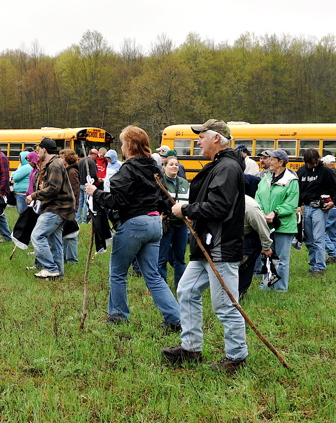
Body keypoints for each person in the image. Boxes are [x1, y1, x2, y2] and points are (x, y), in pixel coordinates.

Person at [163, 119, 247, 373]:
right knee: (187, 291)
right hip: (206, 245)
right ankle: (190, 348)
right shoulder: (220, 166)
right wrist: (194, 215)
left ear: (217, 139)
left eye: (201, 137)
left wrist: (186, 209)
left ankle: (236, 357)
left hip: (220, 246)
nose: (197, 141)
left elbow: (219, 207)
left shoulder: (228, 168)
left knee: (224, 303)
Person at [85, 126, 181, 329]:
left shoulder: (128, 169)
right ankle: (175, 318)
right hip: (155, 224)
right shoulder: (155, 168)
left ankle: (118, 316)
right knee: (153, 275)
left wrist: (95, 193)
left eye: (122, 143)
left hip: (134, 224)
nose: (121, 147)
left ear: (130, 145)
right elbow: (164, 198)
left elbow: (118, 200)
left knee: (118, 273)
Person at [28, 138, 76, 279]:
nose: (37, 153)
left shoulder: (54, 165)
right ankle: (57, 275)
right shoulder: (53, 164)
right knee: (55, 243)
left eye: (38, 150)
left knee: (37, 236)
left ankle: (50, 267)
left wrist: (34, 195)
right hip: (61, 208)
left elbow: (54, 189)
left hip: (57, 208)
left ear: (44, 149)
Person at [255, 149, 298, 292]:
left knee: (281, 259)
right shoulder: (265, 178)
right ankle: (267, 286)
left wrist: (275, 212)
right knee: (267, 257)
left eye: (272, 159)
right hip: (266, 224)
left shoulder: (291, 180)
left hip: (283, 225)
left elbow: (291, 203)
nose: (268, 161)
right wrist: (260, 211)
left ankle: (280, 289)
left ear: (281, 162)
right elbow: (258, 196)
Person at [296, 148, 336, 276]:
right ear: (305, 161)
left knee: (319, 239)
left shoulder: (326, 171)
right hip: (307, 207)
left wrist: (334, 202)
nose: (315, 165)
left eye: (316, 162)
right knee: (309, 239)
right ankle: (313, 264)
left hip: (320, 209)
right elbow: (297, 189)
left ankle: (320, 267)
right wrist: (297, 205)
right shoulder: (301, 171)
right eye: (312, 163)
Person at [159, 156, 190, 290]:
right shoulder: (160, 182)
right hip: (167, 224)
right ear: (164, 167)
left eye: (176, 165)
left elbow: (189, 201)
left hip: (182, 225)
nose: (174, 167)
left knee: (180, 257)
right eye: (171, 164)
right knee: (162, 257)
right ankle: (161, 287)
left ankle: (180, 287)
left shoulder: (183, 182)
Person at [239, 191, 272, 298]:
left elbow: (262, 228)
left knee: (245, 266)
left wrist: (266, 247)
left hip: (248, 237)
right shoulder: (218, 200)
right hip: (227, 237)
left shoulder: (249, 205)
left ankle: (240, 293)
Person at [61, 149, 81, 263]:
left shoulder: (72, 172)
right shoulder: (66, 171)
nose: (60, 159)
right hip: (66, 206)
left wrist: (71, 206)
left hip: (71, 207)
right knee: (65, 232)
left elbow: (74, 191)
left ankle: (72, 259)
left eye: (62, 157)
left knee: (71, 233)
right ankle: (65, 256)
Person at [76, 149, 98, 223]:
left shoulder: (80, 161)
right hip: (87, 184)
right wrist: (98, 180)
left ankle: (77, 218)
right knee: (86, 202)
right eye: (96, 156)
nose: (97, 157)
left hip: (80, 183)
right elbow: (93, 174)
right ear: (93, 154)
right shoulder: (92, 162)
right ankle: (85, 219)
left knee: (80, 202)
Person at [12, 150, 35, 215]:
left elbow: (15, 177)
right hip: (24, 192)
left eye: (20, 158)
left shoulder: (25, 167)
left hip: (22, 193)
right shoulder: (26, 167)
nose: (19, 159)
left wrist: (13, 174)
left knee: (22, 212)